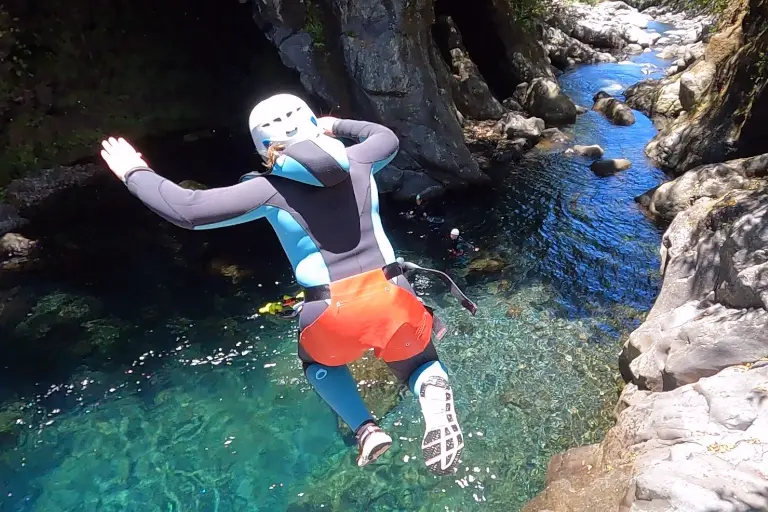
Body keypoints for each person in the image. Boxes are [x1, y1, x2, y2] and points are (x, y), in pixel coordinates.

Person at [98, 93, 476, 475]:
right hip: (392, 292)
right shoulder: (363, 159)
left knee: (318, 366)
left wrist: (135, 172)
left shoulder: (267, 190)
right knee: (419, 365)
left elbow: (187, 209)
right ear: (313, 123)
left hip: (330, 309)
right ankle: (431, 395)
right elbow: (387, 137)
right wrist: (336, 126)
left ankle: (366, 429)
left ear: (264, 148)